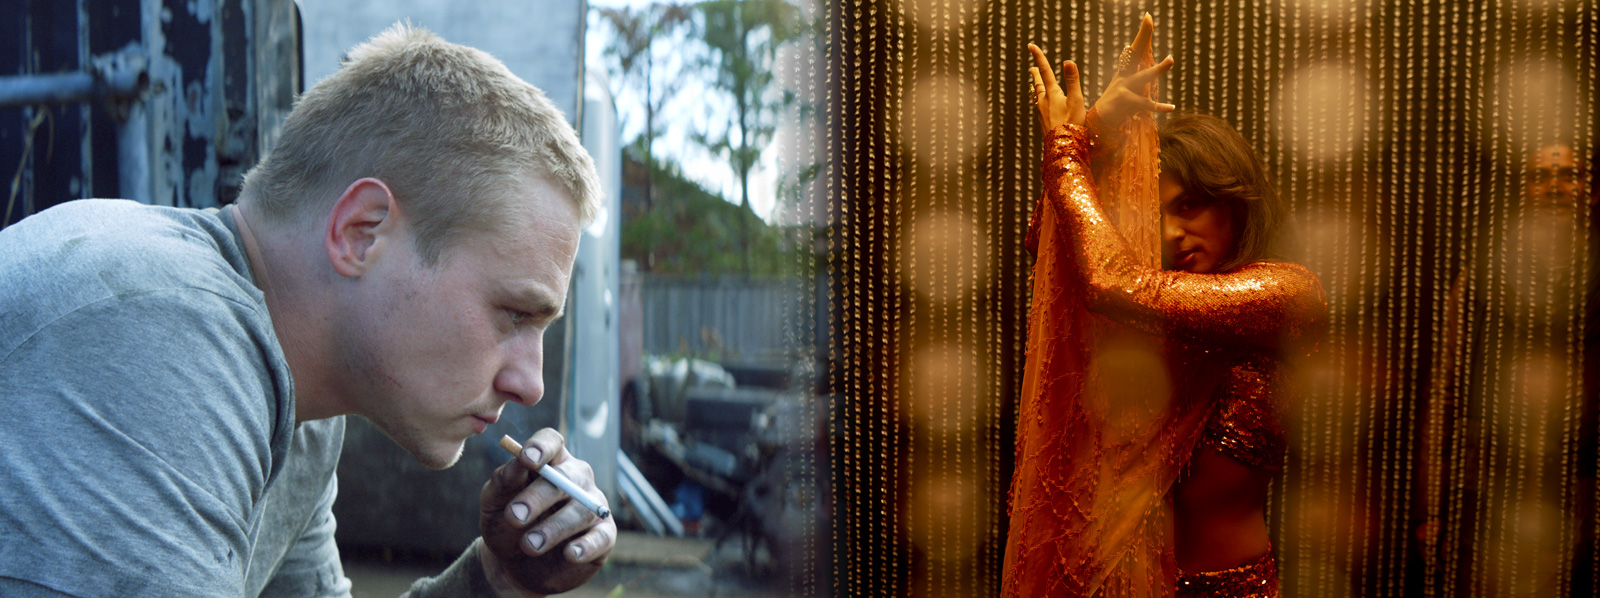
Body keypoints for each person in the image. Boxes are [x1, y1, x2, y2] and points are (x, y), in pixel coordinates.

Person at [0, 24, 616, 597]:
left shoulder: (304, 414)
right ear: (360, 232)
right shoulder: (156, 336)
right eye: (513, 314)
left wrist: (498, 577)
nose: (531, 384)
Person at [1002, 17, 1326, 597]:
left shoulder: (1284, 294)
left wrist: (1069, 149)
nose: (1173, 233)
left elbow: (1108, 280)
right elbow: (1048, 251)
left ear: (1238, 203)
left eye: (1193, 206)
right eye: (1160, 214)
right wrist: (1098, 132)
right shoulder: (1145, 312)